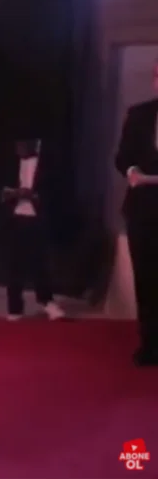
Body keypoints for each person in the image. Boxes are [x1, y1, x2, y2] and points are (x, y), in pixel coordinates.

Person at [114, 58, 158, 367]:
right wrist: (131, 171)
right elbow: (122, 157)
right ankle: (150, 344)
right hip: (142, 210)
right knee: (146, 278)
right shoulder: (139, 114)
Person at [0, 138, 66, 321]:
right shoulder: (9, 164)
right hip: (16, 218)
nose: (19, 148)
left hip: (38, 218)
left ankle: (46, 301)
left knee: (40, 262)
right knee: (15, 264)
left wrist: (33, 195)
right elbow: (0, 191)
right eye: (17, 145)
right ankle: (14, 308)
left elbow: (54, 191)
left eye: (22, 145)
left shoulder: (46, 165)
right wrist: (14, 193)